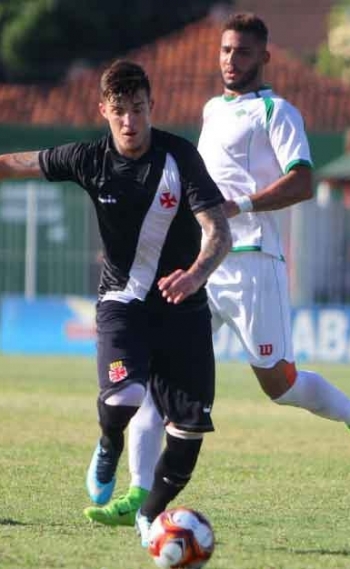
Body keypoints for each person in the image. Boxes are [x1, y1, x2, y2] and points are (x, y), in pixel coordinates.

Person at [84, 13, 350, 529]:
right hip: (198, 266)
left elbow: (303, 183)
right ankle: (140, 499)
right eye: (226, 51)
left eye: (243, 52)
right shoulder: (209, 109)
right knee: (154, 381)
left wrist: (239, 205)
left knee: (282, 385)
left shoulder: (278, 111)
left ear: (264, 58)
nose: (232, 60)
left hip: (252, 263)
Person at [0, 59, 232, 546]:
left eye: (140, 109)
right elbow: (12, 164)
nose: (131, 121)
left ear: (153, 107)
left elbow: (218, 230)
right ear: (104, 109)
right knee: (125, 397)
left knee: (188, 435)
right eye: (121, 110)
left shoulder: (179, 156)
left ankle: (150, 517)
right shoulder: (89, 159)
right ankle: (108, 444)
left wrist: (195, 274)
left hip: (183, 306)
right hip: (122, 300)